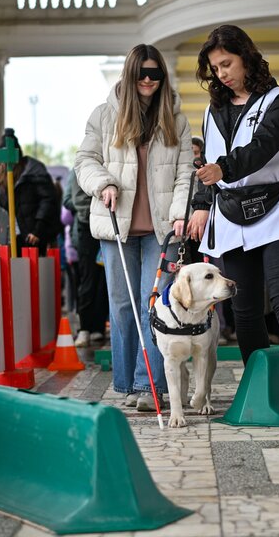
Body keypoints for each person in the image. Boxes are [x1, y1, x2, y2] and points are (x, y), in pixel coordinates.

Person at [186, 25, 279, 429]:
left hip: (278, 208)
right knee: (243, 306)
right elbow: (207, 167)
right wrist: (200, 204)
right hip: (231, 213)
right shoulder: (214, 111)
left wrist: (225, 168)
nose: (222, 73)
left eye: (227, 63)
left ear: (246, 57)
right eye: (215, 68)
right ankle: (257, 384)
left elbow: (263, 145)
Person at [75, 44, 193, 411]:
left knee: (153, 304)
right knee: (122, 306)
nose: (147, 79)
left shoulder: (175, 117)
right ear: (129, 74)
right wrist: (103, 183)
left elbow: (185, 172)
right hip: (117, 226)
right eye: (141, 72)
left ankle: (149, 386)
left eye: (155, 73)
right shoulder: (104, 115)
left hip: (162, 229)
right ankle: (126, 383)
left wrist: (179, 213)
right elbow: (84, 160)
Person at [0, 130, 62, 250]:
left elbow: (48, 201)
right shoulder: (2, 178)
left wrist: (37, 231)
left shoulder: (34, 171)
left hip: (33, 237)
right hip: (12, 239)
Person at [65, 168, 108, 348]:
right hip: (88, 228)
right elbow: (75, 200)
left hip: (107, 228)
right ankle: (84, 327)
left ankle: (98, 326)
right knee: (88, 279)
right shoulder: (80, 168)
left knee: (104, 280)